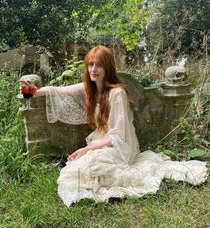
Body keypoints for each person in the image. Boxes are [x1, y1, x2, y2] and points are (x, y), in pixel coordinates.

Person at [20, 45, 208, 207]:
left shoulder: (117, 93)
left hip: (122, 146)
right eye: (90, 64)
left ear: (107, 67)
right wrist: (33, 92)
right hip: (104, 141)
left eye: (99, 65)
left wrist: (87, 149)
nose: (93, 69)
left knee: (88, 168)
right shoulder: (91, 87)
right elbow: (59, 90)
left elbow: (118, 134)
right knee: (76, 169)